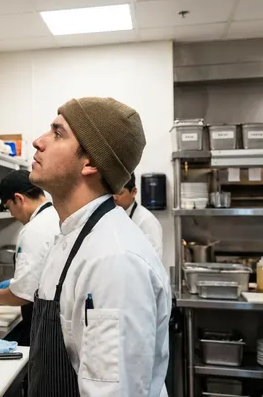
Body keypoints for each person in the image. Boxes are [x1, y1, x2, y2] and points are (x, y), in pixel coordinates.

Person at [27, 96, 171, 397]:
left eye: (57, 133)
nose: (38, 142)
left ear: (90, 161)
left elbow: (114, 392)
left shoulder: (113, 261)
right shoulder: (71, 238)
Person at [0, 170, 61, 346]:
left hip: (44, 329)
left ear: (19, 199)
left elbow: (22, 296)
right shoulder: (55, 216)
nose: (12, 214)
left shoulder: (34, 230)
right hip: (56, 322)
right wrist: (16, 283)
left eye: (8, 207)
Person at [113, 173, 164, 260]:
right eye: (112, 193)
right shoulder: (112, 216)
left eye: (120, 193)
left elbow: (154, 260)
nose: (114, 197)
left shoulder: (146, 221)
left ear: (133, 192)